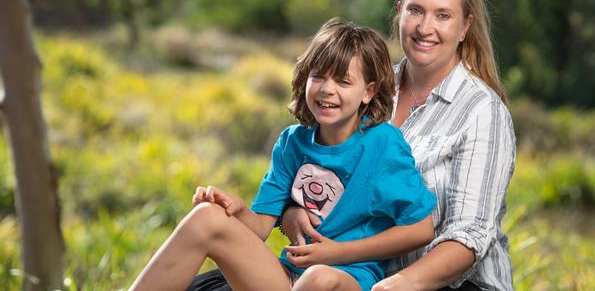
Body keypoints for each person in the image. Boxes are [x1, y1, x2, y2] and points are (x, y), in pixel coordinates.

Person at [186, 0, 516, 291]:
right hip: (342, 273)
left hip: (440, 284)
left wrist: (396, 285)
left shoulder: (481, 111)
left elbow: (468, 237)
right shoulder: (363, 86)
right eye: (416, 10)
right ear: (399, 11)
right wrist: (291, 214)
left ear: (465, 27)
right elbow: (322, 176)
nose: (425, 27)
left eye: (443, 16)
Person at [130, 18, 437, 291]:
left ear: (368, 92)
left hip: (346, 278)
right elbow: (260, 228)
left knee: (320, 277)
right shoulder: (292, 143)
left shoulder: (383, 143)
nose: (327, 90)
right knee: (205, 217)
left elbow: (421, 228)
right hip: (286, 277)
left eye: (343, 81)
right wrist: (236, 210)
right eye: (319, 77)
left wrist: (336, 253)